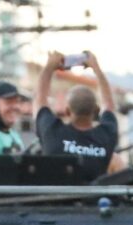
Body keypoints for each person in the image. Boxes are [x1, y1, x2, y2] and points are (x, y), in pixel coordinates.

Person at [35, 50, 119, 179]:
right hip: (93, 199)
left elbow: (40, 99)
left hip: (56, 198)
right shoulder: (106, 135)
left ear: (67, 111)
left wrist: (49, 67)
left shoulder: (52, 132)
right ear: (96, 111)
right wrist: (96, 68)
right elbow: (109, 104)